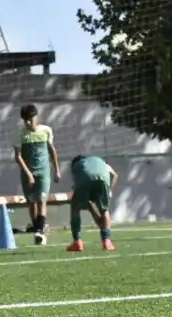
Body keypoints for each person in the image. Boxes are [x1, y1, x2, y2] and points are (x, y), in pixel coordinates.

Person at [13, 104, 60, 244]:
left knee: (41, 200)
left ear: (35, 117)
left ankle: (39, 232)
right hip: (28, 173)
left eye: (30, 119)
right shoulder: (20, 134)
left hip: (43, 172)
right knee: (32, 202)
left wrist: (57, 169)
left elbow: (52, 150)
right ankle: (37, 229)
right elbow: (18, 157)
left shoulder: (46, 131)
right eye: (25, 120)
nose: (27, 123)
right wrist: (28, 174)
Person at [66, 154, 117, 252]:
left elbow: (83, 196)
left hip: (85, 179)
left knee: (75, 207)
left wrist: (91, 210)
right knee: (104, 210)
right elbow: (114, 175)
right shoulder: (97, 160)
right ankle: (107, 241)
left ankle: (77, 241)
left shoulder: (77, 166)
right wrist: (109, 189)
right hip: (103, 179)